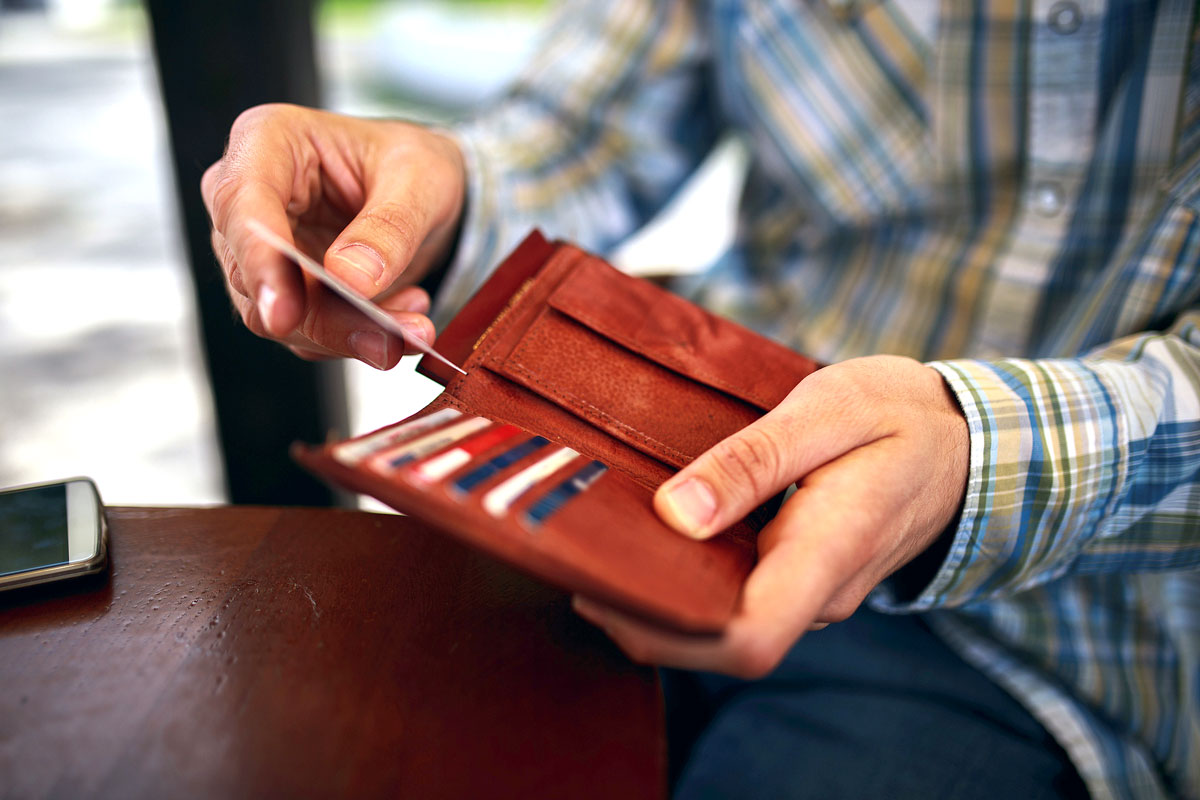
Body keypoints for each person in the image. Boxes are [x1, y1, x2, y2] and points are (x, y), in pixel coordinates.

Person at [201, 0, 1200, 796]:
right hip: (666, 482)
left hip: (1071, 638)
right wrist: (442, 191)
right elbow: (583, 129)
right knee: (307, 735)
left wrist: (977, 452)